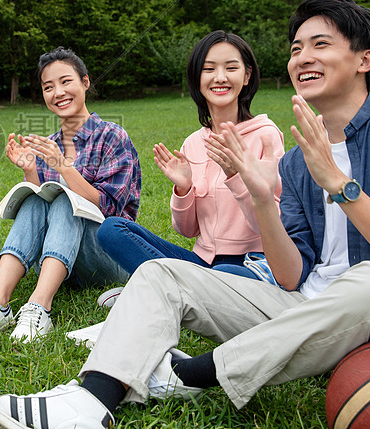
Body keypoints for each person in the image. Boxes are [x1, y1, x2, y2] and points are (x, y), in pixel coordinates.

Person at [0, 0, 370, 428]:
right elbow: (291, 279)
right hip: (309, 306)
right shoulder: (295, 162)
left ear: (364, 59)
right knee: (161, 273)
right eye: (295, 48)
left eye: (320, 44)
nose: (302, 56)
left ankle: (187, 373)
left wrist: (341, 187)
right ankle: (89, 401)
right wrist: (263, 198)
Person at [0, 47, 141, 343]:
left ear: (85, 82)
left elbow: (109, 208)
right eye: (48, 87)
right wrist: (31, 171)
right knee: (37, 198)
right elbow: (41, 206)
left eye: (65, 81)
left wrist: (63, 167)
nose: (58, 92)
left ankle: (38, 307)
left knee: (64, 199)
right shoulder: (50, 144)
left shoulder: (112, 136)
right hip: (63, 260)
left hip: (110, 257)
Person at [97, 31, 284, 282]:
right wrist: (183, 189)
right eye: (209, 69)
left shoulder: (265, 136)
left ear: (247, 76)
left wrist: (236, 175)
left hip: (251, 265)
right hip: (201, 262)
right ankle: (171, 287)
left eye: (231, 68)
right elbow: (187, 231)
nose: (220, 77)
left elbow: (275, 225)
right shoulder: (193, 143)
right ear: (197, 77)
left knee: (224, 274)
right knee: (111, 230)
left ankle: (156, 286)